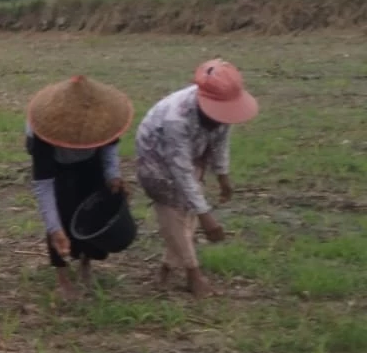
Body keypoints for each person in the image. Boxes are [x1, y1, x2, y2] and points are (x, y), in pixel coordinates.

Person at [136, 59, 259, 297]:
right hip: (156, 159)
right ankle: (193, 274)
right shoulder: (176, 118)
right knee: (174, 213)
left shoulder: (223, 109)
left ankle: (167, 268)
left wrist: (223, 176)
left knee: (188, 210)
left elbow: (221, 140)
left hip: (192, 152)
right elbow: (180, 170)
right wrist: (207, 216)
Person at [25, 75, 134, 300]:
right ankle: (62, 276)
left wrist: (113, 176)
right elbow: (44, 186)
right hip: (59, 167)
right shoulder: (43, 134)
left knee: (93, 210)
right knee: (63, 212)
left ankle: (87, 261)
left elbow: (110, 147)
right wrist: (55, 228)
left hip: (90, 162)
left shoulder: (102, 118)